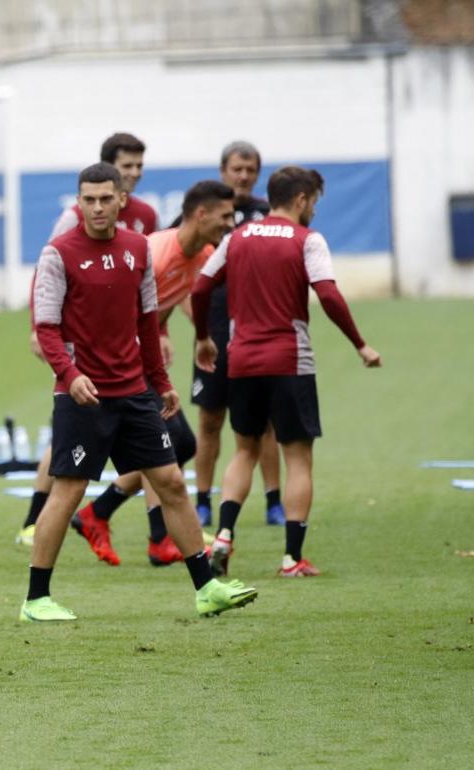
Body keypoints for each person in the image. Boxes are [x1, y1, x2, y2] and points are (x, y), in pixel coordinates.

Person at [22, 162, 256, 623]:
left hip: (134, 391)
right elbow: (45, 330)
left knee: (170, 482)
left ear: (121, 200)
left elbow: (147, 322)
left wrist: (162, 382)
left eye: (105, 198)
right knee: (68, 492)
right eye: (88, 199)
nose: (97, 207)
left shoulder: (138, 249)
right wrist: (70, 376)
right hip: (82, 395)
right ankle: (36, 599)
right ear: (79, 202)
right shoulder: (58, 253)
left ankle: (206, 587)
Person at [192, 166, 381, 577]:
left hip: (241, 359)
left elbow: (201, 287)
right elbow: (328, 294)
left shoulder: (235, 238)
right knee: (298, 458)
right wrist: (359, 344)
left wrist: (204, 336)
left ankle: (223, 535)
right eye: (313, 201)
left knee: (244, 450)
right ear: (301, 200)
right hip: (289, 360)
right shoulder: (307, 240)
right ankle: (292, 558)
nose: (313, 209)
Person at [67, 180, 236, 567]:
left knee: (179, 445)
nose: (230, 224)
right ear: (201, 214)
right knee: (163, 445)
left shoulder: (203, 254)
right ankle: (151, 536)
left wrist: (199, 337)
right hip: (115, 363)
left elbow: (169, 302)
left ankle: (103, 515)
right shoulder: (157, 253)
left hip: (139, 360)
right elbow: (117, 307)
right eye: (225, 216)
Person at [18, 132, 159, 546]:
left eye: (137, 166)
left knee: (163, 461)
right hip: (80, 347)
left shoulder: (146, 217)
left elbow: (147, 287)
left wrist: (159, 333)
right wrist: (37, 327)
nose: (134, 172)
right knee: (68, 441)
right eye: (126, 165)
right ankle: (35, 520)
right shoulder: (72, 221)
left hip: (127, 352)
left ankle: (160, 533)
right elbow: (48, 271)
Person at [190, 141, 287, 527]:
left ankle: (274, 502)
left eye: (250, 170)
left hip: (257, 331)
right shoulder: (207, 213)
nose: (243, 176)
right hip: (213, 332)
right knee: (210, 420)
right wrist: (194, 323)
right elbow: (181, 266)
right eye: (236, 169)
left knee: (264, 423)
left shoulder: (269, 215)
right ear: (222, 170)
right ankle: (202, 500)